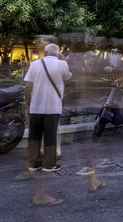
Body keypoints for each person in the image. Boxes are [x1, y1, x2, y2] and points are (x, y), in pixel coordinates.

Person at [24, 43, 72, 206]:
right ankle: (49, 164)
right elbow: (68, 77)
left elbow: (27, 86)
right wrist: (63, 59)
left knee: (34, 135)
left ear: (44, 53)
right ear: (58, 54)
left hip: (36, 106)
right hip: (53, 106)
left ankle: (34, 162)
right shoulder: (61, 64)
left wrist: (28, 105)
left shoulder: (35, 64)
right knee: (50, 136)